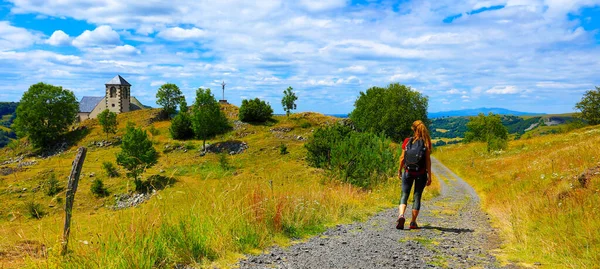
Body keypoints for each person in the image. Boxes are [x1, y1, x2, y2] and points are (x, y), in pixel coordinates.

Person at [396, 120, 432, 230]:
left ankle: (401, 215)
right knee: (417, 197)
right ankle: (413, 222)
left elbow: (402, 158)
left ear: (414, 129)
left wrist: (399, 170)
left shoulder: (407, 141)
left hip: (408, 172)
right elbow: (428, 161)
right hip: (421, 173)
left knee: (404, 195)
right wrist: (430, 176)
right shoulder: (426, 142)